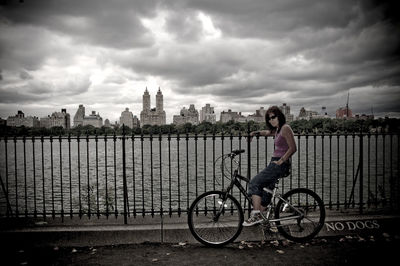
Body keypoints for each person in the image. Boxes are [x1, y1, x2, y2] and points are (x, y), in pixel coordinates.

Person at [243, 106, 297, 226]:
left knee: (255, 183)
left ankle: (256, 215)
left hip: (280, 163)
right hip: (275, 162)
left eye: (273, 117)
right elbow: (267, 132)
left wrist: (281, 161)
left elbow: (293, 148)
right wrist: (254, 133)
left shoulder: (285, 128)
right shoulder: (277, 130)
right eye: (269, 118)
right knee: (267, 191)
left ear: (279, 116)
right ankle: (264, 216)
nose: (271, 120)